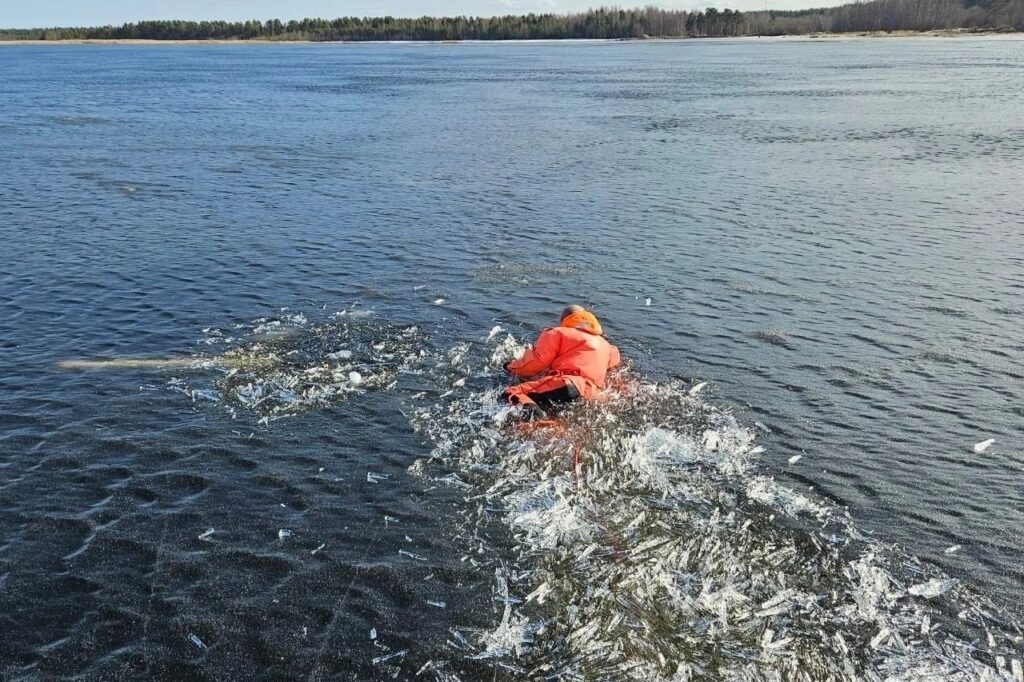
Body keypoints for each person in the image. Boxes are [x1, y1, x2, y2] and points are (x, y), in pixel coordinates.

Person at [503, 305, 621, 411]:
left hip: (568, 383)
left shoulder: (558, 333)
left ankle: (540, 426)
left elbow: (536, 363)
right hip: (593, 395)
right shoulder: (608, 347)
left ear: (565, 319)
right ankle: (555, 427)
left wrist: (510, 367)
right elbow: (614, 374)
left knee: (511, 394)